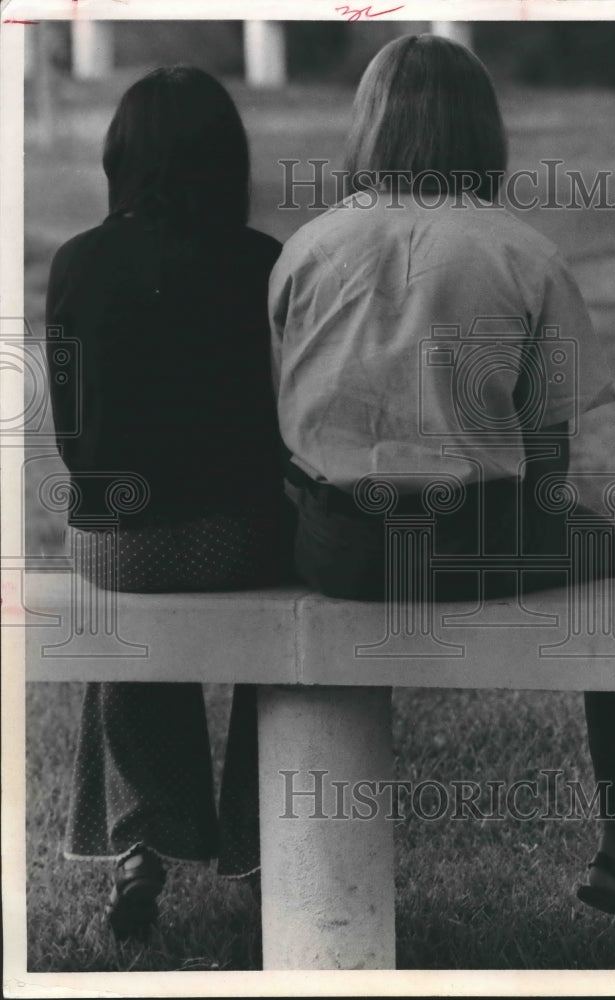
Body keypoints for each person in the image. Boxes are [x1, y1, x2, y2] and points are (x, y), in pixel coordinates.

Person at [269, 34, 615, 942]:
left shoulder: (306, 245)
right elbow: (548, 464)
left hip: (334, 546)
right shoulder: (521, 253)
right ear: (481, 131)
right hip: (470, 536)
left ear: (368, 126)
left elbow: (282, 413)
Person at [45, 66, 289, 941]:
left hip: (112, 543)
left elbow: (76, 438)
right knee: (297, 625)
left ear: (121, 157)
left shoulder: (76, 261)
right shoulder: (262, 261)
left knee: (124, 584)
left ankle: (141, 842)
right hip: (239, 539)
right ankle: (268, 845)